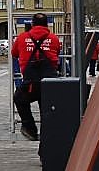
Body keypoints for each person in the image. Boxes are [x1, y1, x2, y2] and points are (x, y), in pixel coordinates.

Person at [11, 13, 61, 141]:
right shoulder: (54, 38)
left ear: (32, 24)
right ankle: (47, 142)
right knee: (47, 111)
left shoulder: (22, 38)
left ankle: (30, 128)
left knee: (19, 98)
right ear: (46, 24)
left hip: (31, 84)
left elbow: (14, 53)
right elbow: (57, 54)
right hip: (50, 84)